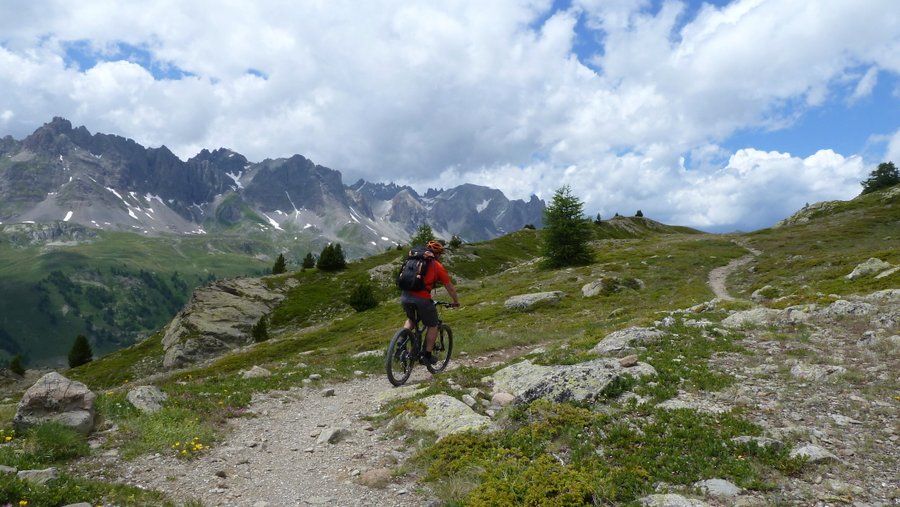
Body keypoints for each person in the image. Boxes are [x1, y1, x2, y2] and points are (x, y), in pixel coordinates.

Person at [399, 239, 460, 364]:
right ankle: (426, 356)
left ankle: (400, 343)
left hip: (405, 296)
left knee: (411, 319)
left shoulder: (413, 260)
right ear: (437, 254)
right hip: (421, 299)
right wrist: (455, 301)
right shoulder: (437, 266)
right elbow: (449, 287)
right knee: (433, 325)